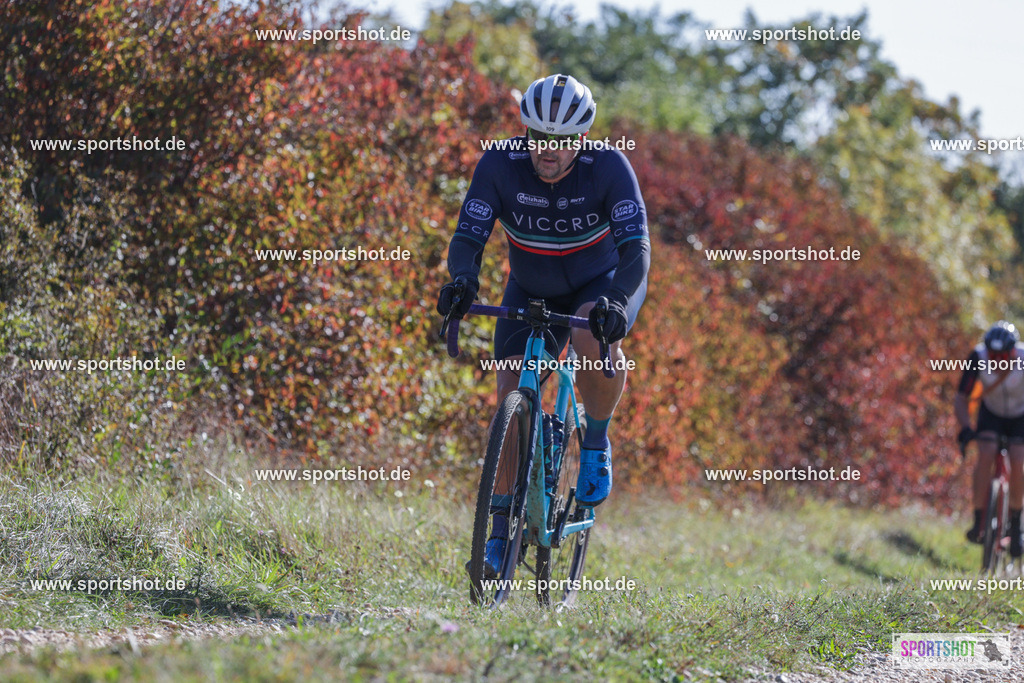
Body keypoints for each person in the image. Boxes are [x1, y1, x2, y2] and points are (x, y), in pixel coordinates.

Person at [437, 74, 650, 576]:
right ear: (525, 131)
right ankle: (497, 532)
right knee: (507, 393)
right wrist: (464, 280)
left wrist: (618, 302)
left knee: (588, 334)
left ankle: (594, 441)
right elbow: (468, 234)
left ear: (581, 138)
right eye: (537, 137)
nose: (547, 151)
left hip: (596, 287)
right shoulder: (500, 164)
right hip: (528, 286)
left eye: (560, 140)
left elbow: (636, 251)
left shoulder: (609, 168)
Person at [955, 320, 1024, 556]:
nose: (997, 360)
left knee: (1017, 458)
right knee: (985, 454)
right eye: (993, 355)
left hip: (1020, 416)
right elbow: (961, 397)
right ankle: (978, 519)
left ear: (1013, 351)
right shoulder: (978, 356)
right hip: (991, 413)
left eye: (1003, 355)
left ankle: (1016, 523)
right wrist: (965, 427)